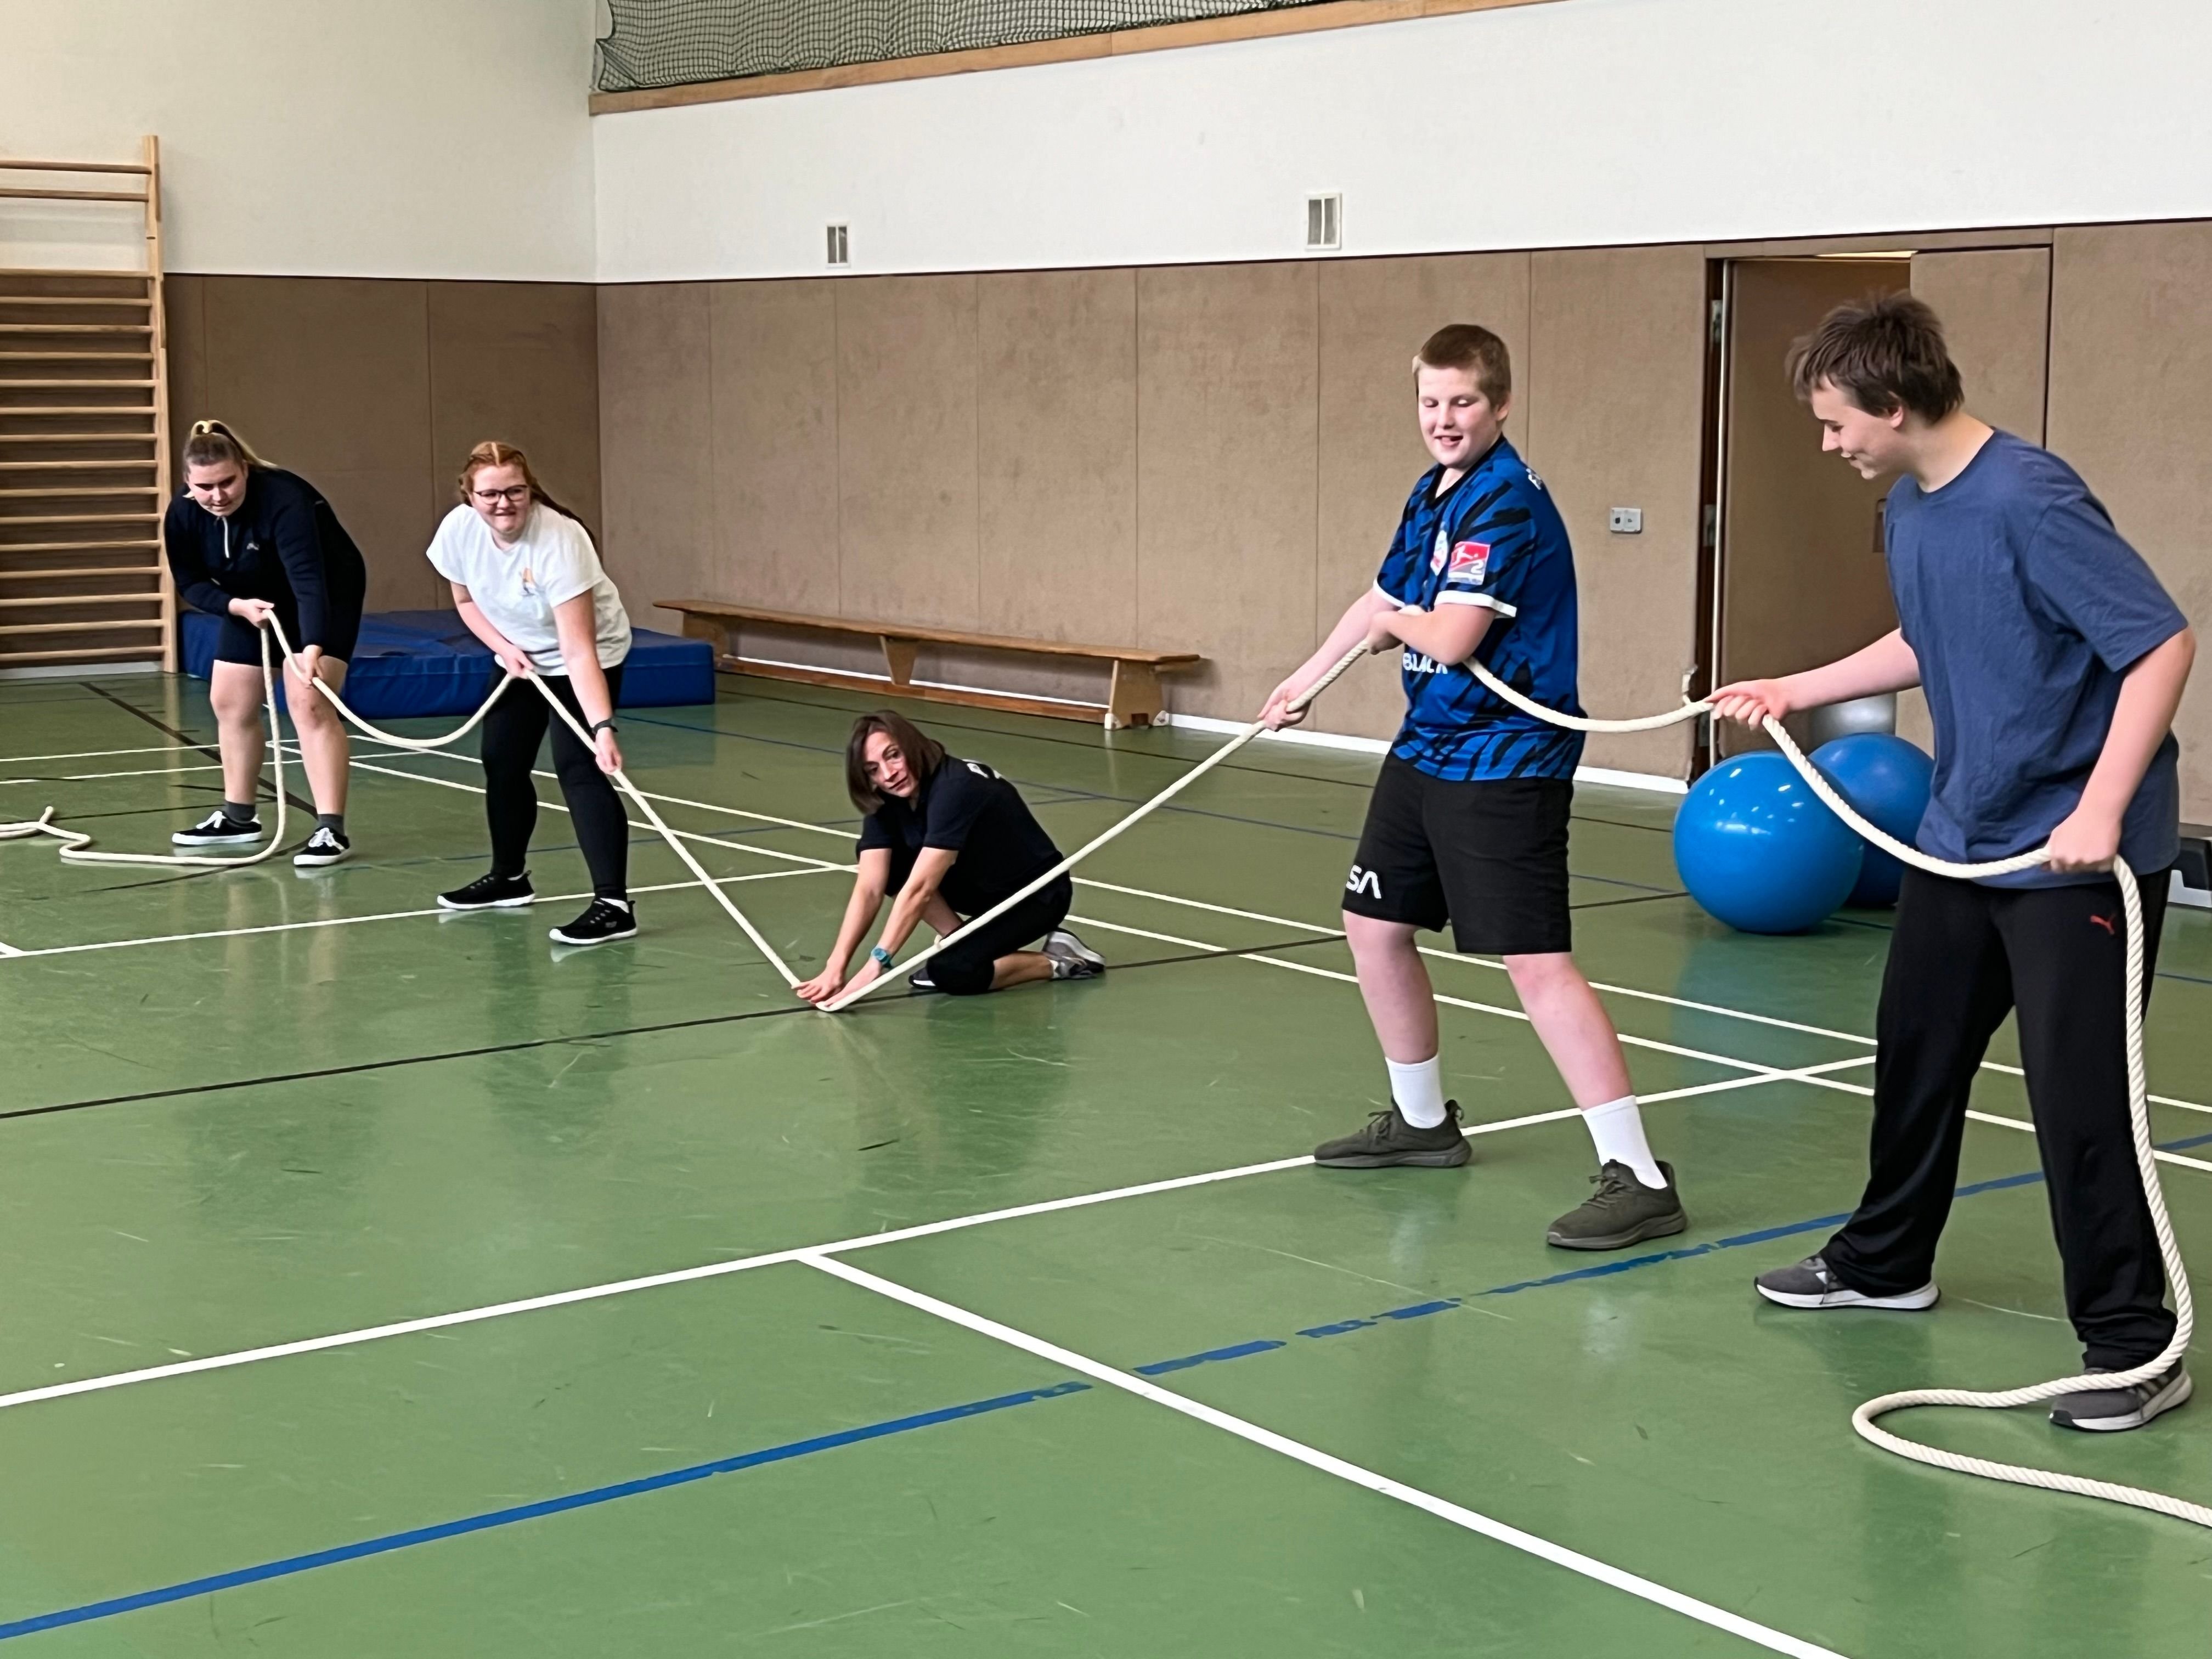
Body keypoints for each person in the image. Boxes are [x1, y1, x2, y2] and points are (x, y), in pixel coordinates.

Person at [1713, 293, 2194, 1432]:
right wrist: (1799, 686)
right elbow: (1933, 635)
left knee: (2080, 1105)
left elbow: (2158, 641)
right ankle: (1887, 1263)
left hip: (2075, 859)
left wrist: (2102, 806)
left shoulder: (2032, 497)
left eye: (1838, 424)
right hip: (1963, 840)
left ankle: (2135, 1347)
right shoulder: (1916, 507)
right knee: (1916, 1051)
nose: (1831, 445)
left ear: (1893, 403)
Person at [1261, 324, 1688, 1251]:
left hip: (1507, 758)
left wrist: (1392, 631)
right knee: (1373, 924)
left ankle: (1640, 1174)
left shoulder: (1506, 503)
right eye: (1430, 402)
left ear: (1499, 405)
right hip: (1428, 745)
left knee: (1532, 962)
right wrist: (1304, 678)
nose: (1444, 419)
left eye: (1462, 402)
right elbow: (1378, 599)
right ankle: (1421, 1122)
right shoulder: (1433, 490)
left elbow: (1448, 636)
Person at [426, 442, 638, 948]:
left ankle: (614, 904)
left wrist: (602, 728)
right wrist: (505, 649)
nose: (504, 504)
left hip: (585, 656)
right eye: (490, 494)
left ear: (530, 488)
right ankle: (509, 878)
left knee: (578, 767)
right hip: (521, 657)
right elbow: (464, 599)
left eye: (515, 491)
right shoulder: (459, 529)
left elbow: (579, 649)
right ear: (470, 495)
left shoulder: (561, 540)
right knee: (501, 758)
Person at [795, 710, 1105, 1006]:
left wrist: (875, 965)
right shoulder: (888, 799)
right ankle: (959, 941)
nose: (889, 775)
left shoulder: (955, 787)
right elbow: (870, 887)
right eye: (873, 770)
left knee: (954, 972)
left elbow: (920, 890)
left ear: (912, 745)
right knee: (890, 864)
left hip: (1035, 895)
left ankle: (1058, 961)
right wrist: (835, 967)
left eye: (894, 755)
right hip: (980, 887)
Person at [162, 419, 366, 866]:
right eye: (205, 487)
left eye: (228, 482)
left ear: (245, 471)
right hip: (251, 596)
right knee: (230, 700)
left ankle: (331, 828)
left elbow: (310, 580)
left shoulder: (285, 500)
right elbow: (190, 581)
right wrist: (235, 605)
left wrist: (312, 646)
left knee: (308, 700)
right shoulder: (182, 513)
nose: (218, 496)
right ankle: (239, 817)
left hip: (323, 592)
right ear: (187, 482)